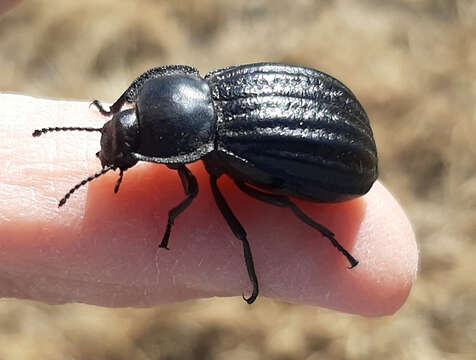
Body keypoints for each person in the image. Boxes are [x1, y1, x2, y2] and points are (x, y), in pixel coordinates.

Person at [0, 2, 417, 316]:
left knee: (274, 208)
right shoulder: (207, 88)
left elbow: (193, 198)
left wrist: (172, 220)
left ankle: (325, 236)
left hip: (341, 159)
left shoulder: (217, 148)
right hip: (332, 108)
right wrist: (116, 115)